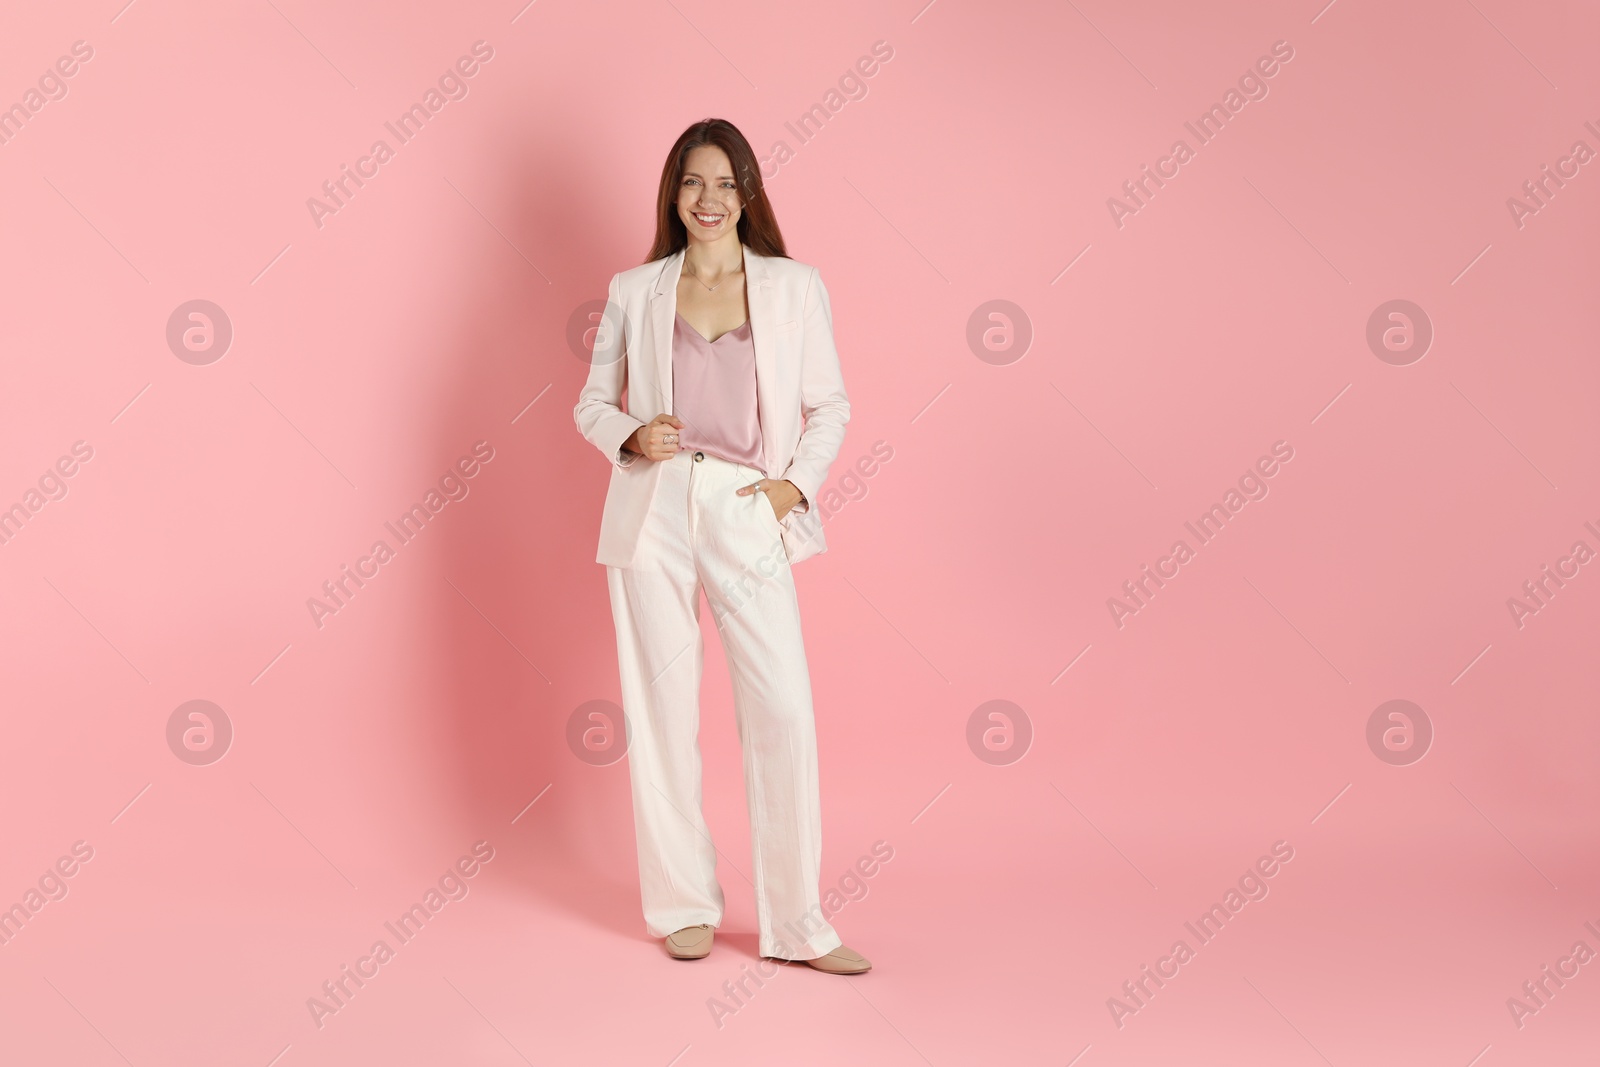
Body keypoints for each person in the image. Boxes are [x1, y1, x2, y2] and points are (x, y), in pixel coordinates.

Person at [573, 118, 869, 974]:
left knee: (781, 707)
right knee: (661, 710)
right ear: (674, 191)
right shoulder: (635, 288)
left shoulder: (792, 286)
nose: (709, 200)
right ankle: (683, 904)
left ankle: (798, 925)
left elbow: (831, 406)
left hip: (746, 506)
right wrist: (631, 434)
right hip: (654, 505)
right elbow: (591, 402)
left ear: (749, 194)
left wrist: (789, 488)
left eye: (727, 184)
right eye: (694, 183)